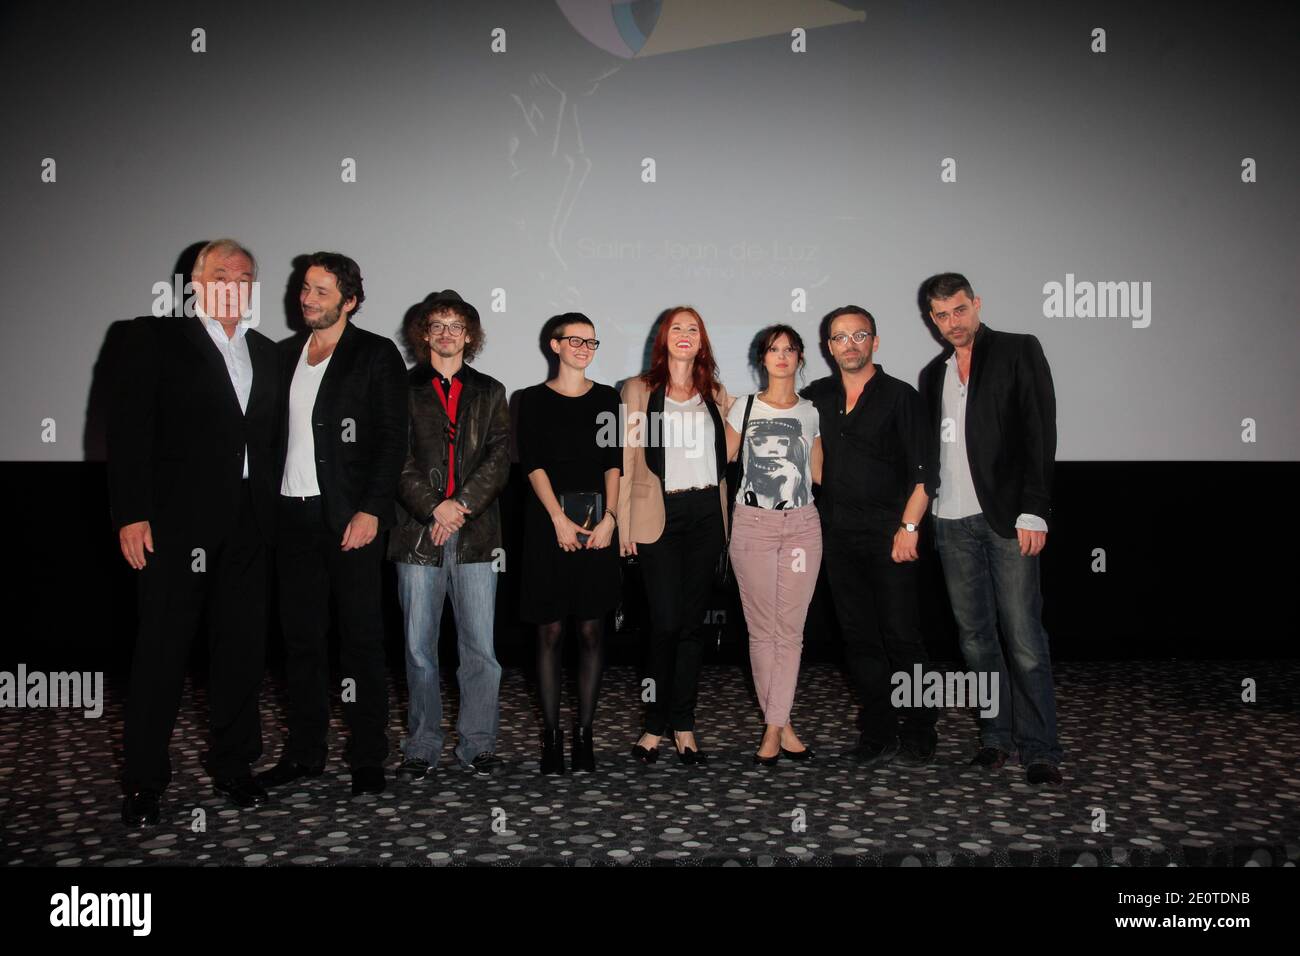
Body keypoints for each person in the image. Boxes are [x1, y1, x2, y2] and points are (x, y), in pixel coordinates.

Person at [109, 238, 281, 825]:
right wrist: (131, 513)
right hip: (175, 528)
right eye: (223, 271)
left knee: (241, 652)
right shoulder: (151, 337)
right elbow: (127, 432)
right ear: (196, 281)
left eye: (246, 274)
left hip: (248, 526)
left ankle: (234, 765)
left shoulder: (266, 351)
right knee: (160, 652)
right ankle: (144, 781)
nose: (236, 280)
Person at [257, 252, 407, 797]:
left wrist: (371, 509)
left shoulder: (375, 354)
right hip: (290, 517)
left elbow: (393, 439)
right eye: (304, 288)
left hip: (349, 520)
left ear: (350, 300)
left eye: (321, 290)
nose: (307, 298)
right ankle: (304, 753)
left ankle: (368, 756)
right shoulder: (281, 355)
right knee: (300, 642)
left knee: (362, 641)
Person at [917, 272, 1063, 786]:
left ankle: (1041, 748)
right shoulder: (932, 374)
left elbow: (1039, 431)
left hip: (1007, 519)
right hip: (950, 522)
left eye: (959, 310)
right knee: (976, 641)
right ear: (930, 320)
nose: (951, 323)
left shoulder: (1019, 351)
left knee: (1023, 638)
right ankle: (995, 739)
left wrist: (1035, 509)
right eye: (940, 316)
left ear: (976, 304)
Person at [801, 306, 939, 768]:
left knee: (902, 637)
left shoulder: (902, 397)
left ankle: (921, 728)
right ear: (829, 348)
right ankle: (878, 731)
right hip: (837, 536)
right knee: (859, 639)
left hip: (891, 536)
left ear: (875, 342)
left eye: (860, 335)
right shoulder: (817, 395)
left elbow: (925, 472)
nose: (851, 344)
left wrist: (910, 527)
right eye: (840, 337)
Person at [387, 291, 511, 778]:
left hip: (477, 534)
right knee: (419, 648)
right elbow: (394, 458)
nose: (445, 333)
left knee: (480, 648)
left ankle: (478, 743)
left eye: (455, 325)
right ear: (423, 333)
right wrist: (433, 506)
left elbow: (499, 458)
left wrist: (458, 507)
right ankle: (421, 744)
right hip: (417, 534)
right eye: (436, 325)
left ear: (470, 335)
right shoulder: (399, 389)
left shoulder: (491, 390)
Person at [618, 306, 733, 764]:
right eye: (677, 328)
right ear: (663, 338)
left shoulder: (718, 394)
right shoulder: (638, 390)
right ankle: (653, 725)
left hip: (707, 513)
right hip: (657, 515)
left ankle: (684, 724)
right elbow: (626, 459)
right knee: (663, 623)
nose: (685, 335)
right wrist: (623, 522)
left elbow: (730, 457)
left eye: (693, 329)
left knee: (691, 626)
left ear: (702, 341)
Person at [517, 314, 622, 774]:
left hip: (597, 525)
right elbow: (533, 465)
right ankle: (552, 736)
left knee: (592, 630)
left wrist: (611, 520)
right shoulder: (532, 400)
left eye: (590, 341)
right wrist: (557, 519)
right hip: (548, 526)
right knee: (550, 630)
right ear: (554, 345)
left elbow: (613, 464)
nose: (583, 347)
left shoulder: (607, 399)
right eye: (574, 340)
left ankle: (584, 733)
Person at [723, 325, 823, 765]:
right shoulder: (741, 408)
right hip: (753, 525)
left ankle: (773, 727)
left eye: (789, 349)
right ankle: (780, 724)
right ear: (761, 358)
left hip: (802, 526)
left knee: (792, 633)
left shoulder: (814, 412)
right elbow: (719, 458)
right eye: (773, 350)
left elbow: (818, 474)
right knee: (763, 632)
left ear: (800, 358)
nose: (781, 356)